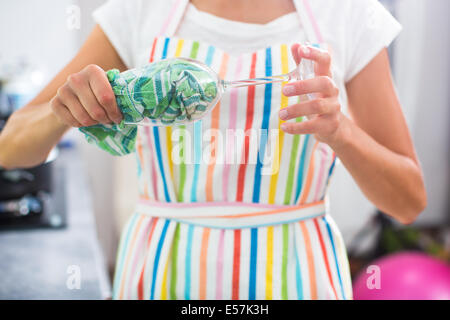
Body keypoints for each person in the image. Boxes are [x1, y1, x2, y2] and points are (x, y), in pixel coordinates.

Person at [0, 0, 427, 300]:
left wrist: (341, 132)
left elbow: (407, 201)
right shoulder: (139, 10)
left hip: (299, 276)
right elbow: (11, 147)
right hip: (161, 274)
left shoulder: (349, 13)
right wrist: (66, 110)